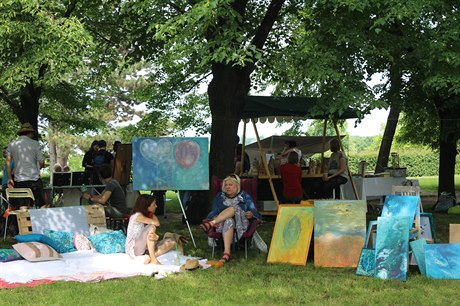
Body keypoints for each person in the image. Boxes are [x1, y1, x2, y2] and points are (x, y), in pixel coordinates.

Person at [200, 174, 261, 263]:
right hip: (223, 224)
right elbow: (215, 210)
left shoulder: (244, 196)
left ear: (237, 186)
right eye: (226, 185)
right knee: (229, 221)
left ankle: (211, 224)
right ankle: (227, 254)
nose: (227, 187)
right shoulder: (220, 196)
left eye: (230, 185)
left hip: (240, 224)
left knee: (234, 208)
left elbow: (253, 209)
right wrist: (213, 217)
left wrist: (251, 214)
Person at [125, 194, 180, 265]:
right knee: (151, 226)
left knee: (171, 243)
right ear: (146, 206)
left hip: (141, 246)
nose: (156, 206)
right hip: (134, 249)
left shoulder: (142, 215)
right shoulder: (138, 216)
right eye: (154, 204)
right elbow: (156, 223)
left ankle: (149, 256)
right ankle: (153, 259)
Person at [6, 123, 46, 208]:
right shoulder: (35, 144)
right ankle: (38, 221)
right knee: (42, 204)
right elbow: (41, 162)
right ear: (30, 133)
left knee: (23, 206)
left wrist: (10, 178)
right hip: (34, 179)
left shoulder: (12, 144)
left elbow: (8, 162)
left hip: (19, 180)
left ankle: (25, 221)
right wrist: (42, 165)